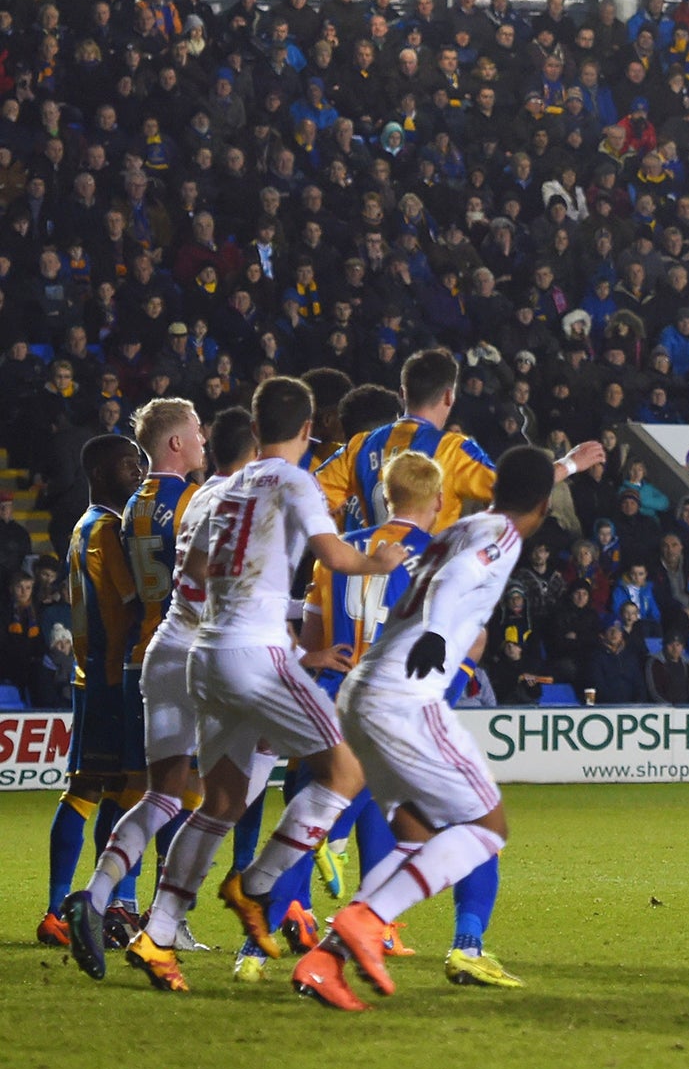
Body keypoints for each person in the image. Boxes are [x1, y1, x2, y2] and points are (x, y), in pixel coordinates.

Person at [70, 378, 411, 990]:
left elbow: (195, 569)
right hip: (244, 652)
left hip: (191, 652)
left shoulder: (212, 495)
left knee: (210, 802)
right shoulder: (290, 481)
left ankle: (155, 930)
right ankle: (259, 884)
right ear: (307, 429)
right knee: (349, 766)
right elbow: (335, 557)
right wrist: (378, 563)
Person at [291, 445, 558, 1011]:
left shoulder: (468, 524)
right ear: (544, 503)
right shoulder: (502, 537)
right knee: (486, 828)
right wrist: (439, 631)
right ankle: (368, 919)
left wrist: (572, 465)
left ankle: (326, 960)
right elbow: (458, 578)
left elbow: (462, 553)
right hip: (406, 696)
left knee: (414, 837)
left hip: (361, 691)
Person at [60, 402, 221, 958]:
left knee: (146, 790)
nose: (203, 438)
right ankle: (159, 912)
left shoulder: (130, 507)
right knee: (188, 794)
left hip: (139, 657)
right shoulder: (190, 500)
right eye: (196, 431)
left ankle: (111, 901)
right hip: (183, 654)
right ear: (176, 442)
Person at [39, 433, 145, 951]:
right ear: (101, 473)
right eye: (129, 465)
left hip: (91, 677)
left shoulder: (83, 528)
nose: (139, 472)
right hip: (110, 678)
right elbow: (135, 600)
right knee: (128, 793)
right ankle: (110, 905)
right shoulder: (107, 530)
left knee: (91, 792)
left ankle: (66, 907)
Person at [320, 347, 603, 531]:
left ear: (403, 394)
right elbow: (515, 489)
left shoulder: (361, 445)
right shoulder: (452, 450)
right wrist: (570, 463)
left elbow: (310, 495)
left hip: (362, 592)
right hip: (419, 597)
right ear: (448, 396)